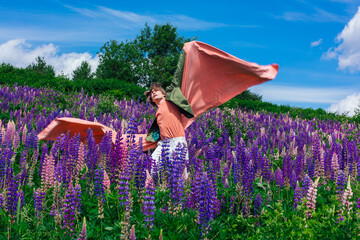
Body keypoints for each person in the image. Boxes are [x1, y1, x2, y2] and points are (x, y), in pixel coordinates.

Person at [143, 82, 191, 164]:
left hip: (177, 141)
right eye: (152, 92)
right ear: (152, 99)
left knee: (179, 172)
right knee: (152, 164)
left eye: (156, 90)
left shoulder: (171, 102)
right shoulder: (158, 111)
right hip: (163, 143)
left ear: (164, 94)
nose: (153, 92)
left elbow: (175, 85)